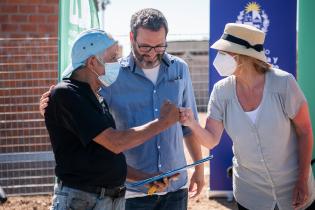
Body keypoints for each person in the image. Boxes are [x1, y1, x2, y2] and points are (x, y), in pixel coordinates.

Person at [40, 8, 204, 210]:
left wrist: (150, 178)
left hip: (150, 191)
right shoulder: (85, 88)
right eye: (145, 47)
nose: (152, 53)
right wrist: (164, 122)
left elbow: (108, 157)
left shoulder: (179, 69)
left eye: (159, 46)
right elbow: (113, 141)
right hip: (106, 198)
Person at [179, 23, 315, 210]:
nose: (218, 58)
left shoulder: (284, 84)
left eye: (224, 53)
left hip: (294, 192)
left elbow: (305, 132)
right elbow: (210, 141)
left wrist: (302, 179)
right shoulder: (221, 92)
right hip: (250, 196)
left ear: (242, 57)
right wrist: (191, 123)